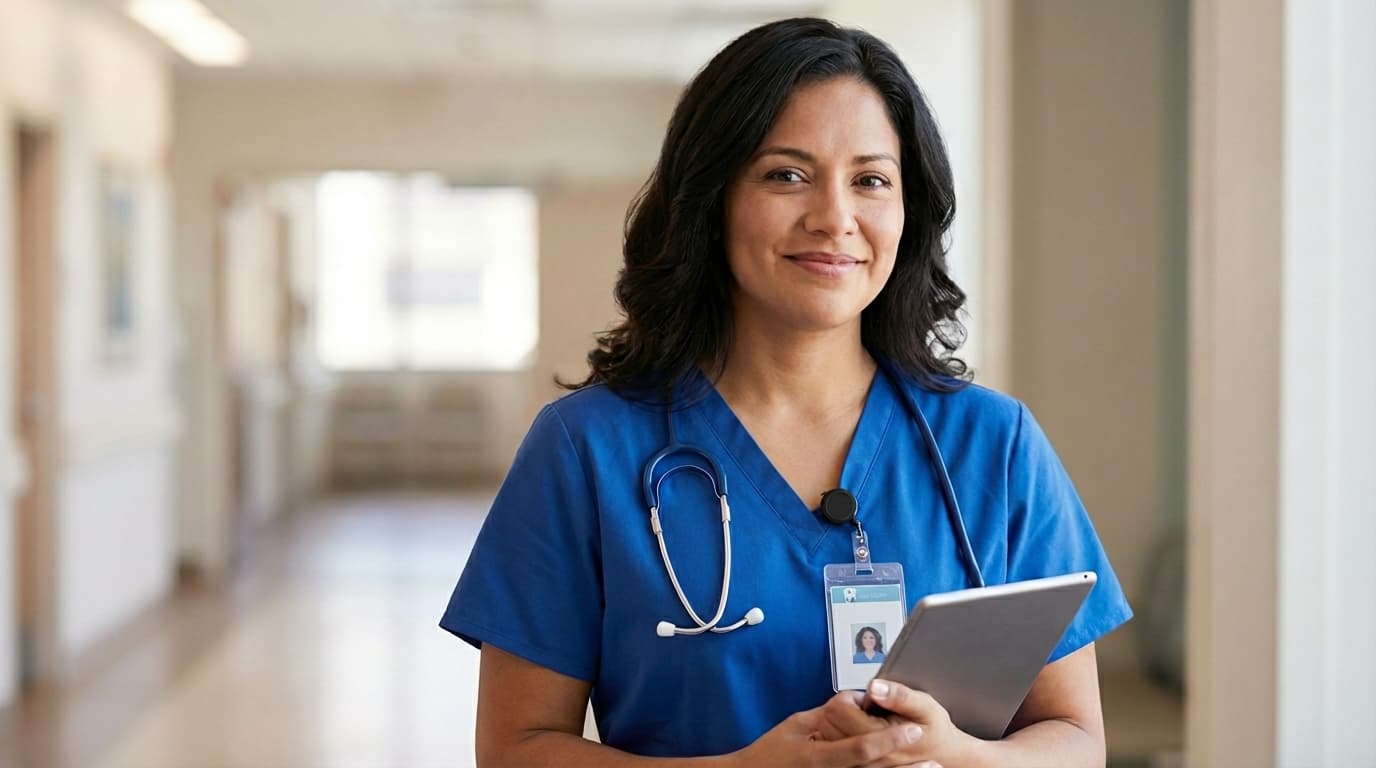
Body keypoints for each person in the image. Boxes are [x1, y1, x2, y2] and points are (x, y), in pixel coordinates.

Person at [440, 16, 1131, 768]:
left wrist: (954, 752)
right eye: (786, 174)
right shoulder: (587, 450)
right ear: (712, 202)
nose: (835, 218)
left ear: (909, 211)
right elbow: (516, 750)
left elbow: (1075, 742)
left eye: (870, 180)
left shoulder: (993, 447)